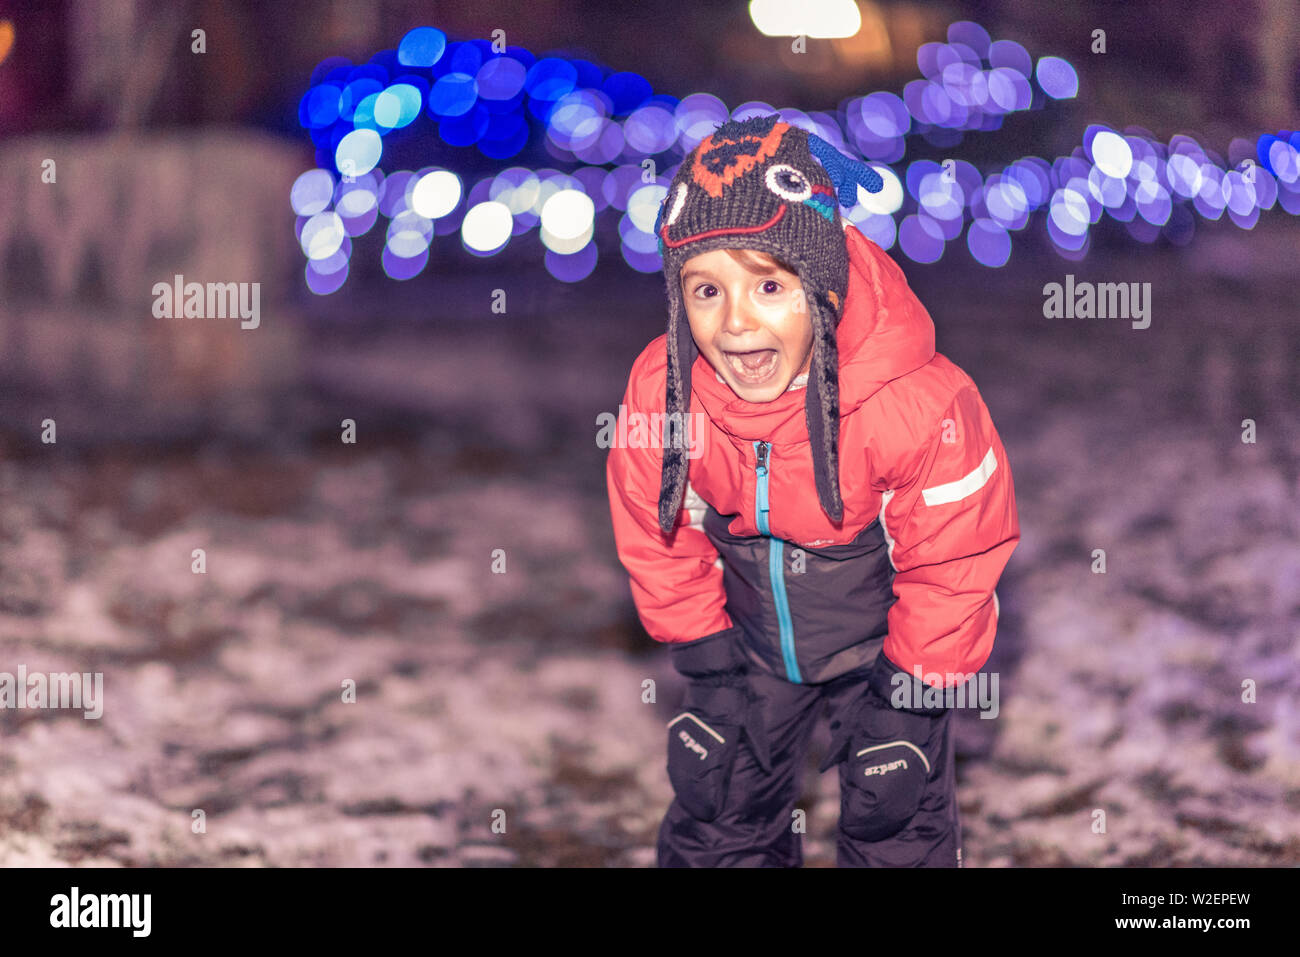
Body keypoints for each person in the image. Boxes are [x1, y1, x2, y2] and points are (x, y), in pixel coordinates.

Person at [605, 113, 1020, 867]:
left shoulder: (918, 405)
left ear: (823, 286)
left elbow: (956, 558)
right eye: (704, 289)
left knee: (895, 822)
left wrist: (911, 699)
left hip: (885, 645)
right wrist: (707, 661)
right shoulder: (665, 392)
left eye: (769, 283)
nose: (734, 322)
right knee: (718, 817)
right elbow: (656, 527)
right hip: (749, 641)